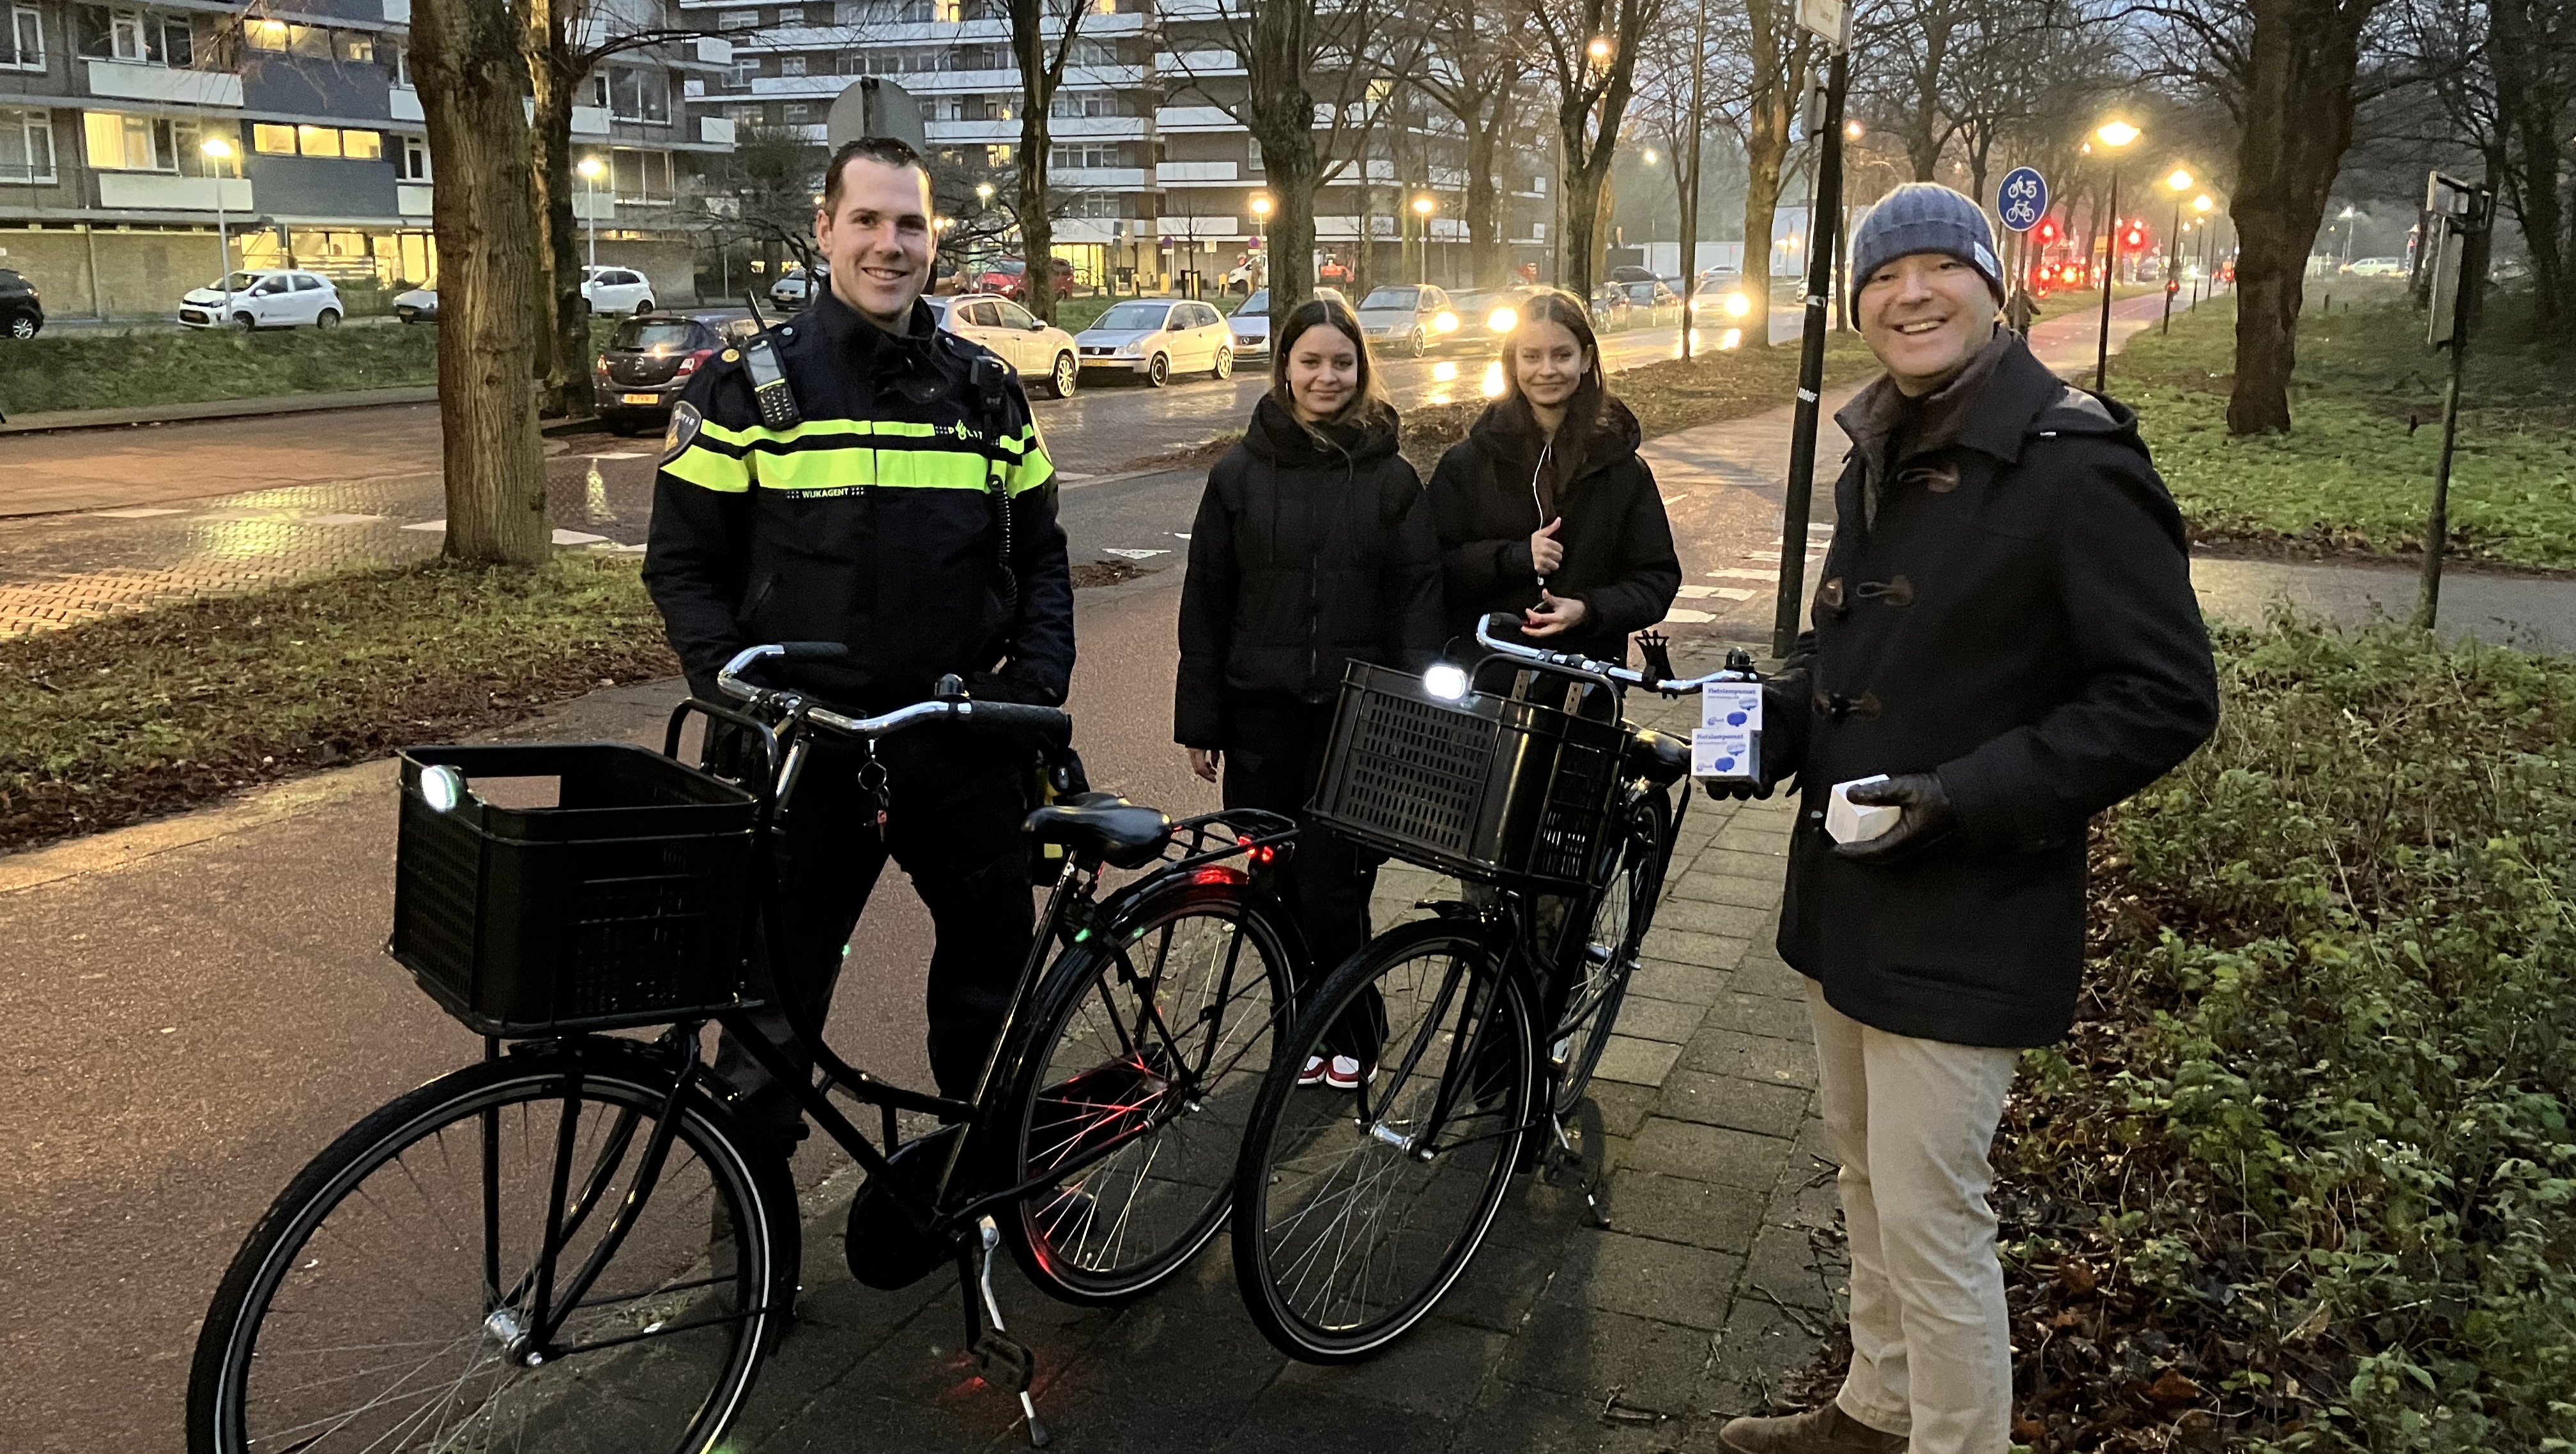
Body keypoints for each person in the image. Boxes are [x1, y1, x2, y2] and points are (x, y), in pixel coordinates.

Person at [1716, 183, 2218, 1454]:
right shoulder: (1878, 451)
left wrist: (1958, 798)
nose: (1913, 292)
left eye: (1945, 266)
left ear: (1999, 290)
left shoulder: (2073, 464)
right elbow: (1862, 663)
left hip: (1974, 908)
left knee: (1939, 1224)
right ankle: (1874, 1410)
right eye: (1887, 275)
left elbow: (2164, 698)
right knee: (1868, 1179)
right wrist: (1768, 725)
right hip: (1849, 902)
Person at [643, 136, 1073, 1151]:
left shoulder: (986, 391)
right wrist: (737, 691)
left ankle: (998, 1192)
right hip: (804, 756)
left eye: (911, 223)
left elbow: (1044, 559)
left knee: (994, 992)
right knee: (769, 1020)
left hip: (957, 744)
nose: (891, 244)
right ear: (826, 229)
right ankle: (753, 1256)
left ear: (935, 239)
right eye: (869, 221)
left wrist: (1033, 688)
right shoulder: (745, 392)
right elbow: (683, 570)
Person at [1174, 296, 1443, 1089]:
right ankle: (1300, 1032)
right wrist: (1202, 719)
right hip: (1262, 716)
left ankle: (1354, 1026)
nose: (1327, 377)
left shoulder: (1392, 479)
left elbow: (1416, 604)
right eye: (1311, 361)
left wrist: (1410, 717)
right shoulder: (1238, 475)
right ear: (1284, 368)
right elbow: (1207, 600)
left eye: (1342, 362)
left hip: (1356, 721)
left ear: (1363, 369)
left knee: (1336, 888)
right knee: (1272, 888)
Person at [1426, 287, 1680, 666]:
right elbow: (1432, 568)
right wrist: (1511, 558)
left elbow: (1656, 579)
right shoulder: (1467, 465)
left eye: (1562, 355)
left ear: (1585, 359)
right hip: (1485, 674)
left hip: (1587, 679)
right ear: (1513, 363)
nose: (1547, 370)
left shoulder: (1623, 471)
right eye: (1532, 357)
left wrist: (1588, 609)